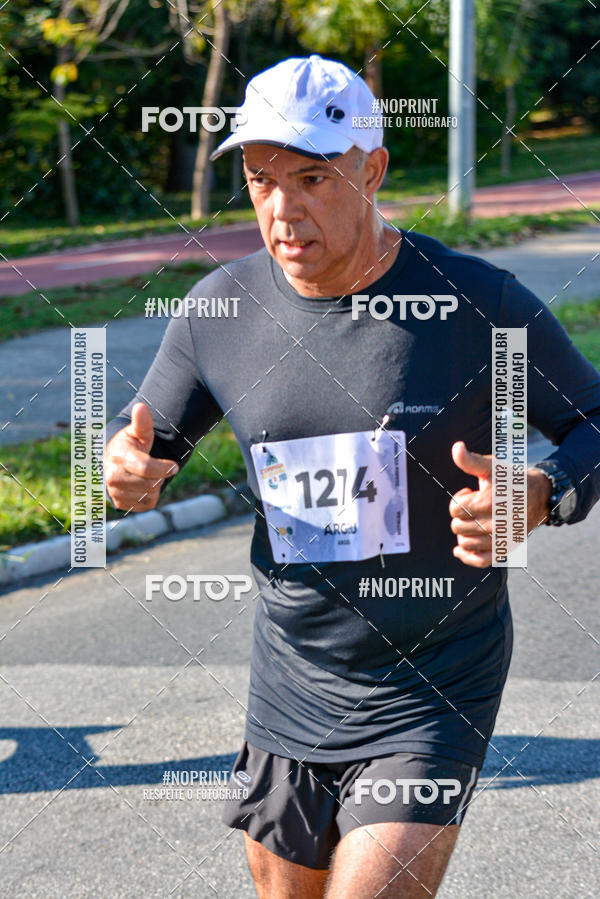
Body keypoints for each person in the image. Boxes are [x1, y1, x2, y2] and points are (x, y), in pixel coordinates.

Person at [104, 55, 600, 897]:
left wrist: (544, 491)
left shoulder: (477, 302)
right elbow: (148, 440)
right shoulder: (219, 310)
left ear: (372, 170)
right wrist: (125, 470)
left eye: (311, 177)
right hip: (292, 676)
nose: (282, 209)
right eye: (261, 180)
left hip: (436, 675)